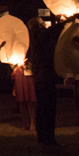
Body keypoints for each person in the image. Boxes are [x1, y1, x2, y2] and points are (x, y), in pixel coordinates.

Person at [28, 16, 67, 146]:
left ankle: (44, 136)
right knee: (47, 107)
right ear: (38, 25)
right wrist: (62, 23)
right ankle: (47, 136)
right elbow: (48, 33)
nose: (44, 24)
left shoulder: (39, 36)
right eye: (42, 22)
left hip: (43, 76)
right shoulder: (36, 34)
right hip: (44, 77)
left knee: (44, 107)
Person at [12, 61, 37, 131]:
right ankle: (25, 123)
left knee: (29, 100)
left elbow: (34, 63)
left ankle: (32, 124)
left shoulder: (29, 51)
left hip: (27, 75)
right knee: (21, 100)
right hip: (19, 75)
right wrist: (14, 63)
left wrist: (25, 63)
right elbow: (12, 65)